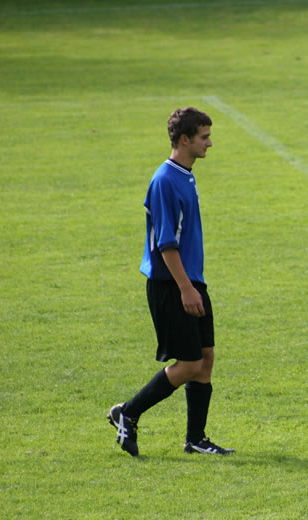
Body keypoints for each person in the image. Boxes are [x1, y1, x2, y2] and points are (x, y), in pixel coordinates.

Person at [107, 107, 234, 457]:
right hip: (173, 284)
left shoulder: (185, 175)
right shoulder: (166, 180)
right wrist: (186, 289)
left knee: (205, 358)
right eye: (204, 137)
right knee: (189, 364)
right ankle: (128, 412)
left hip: (191, 280)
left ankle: (196, 439)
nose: (210, 143)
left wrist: (193, 285)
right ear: (185, 139)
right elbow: (166, 244)